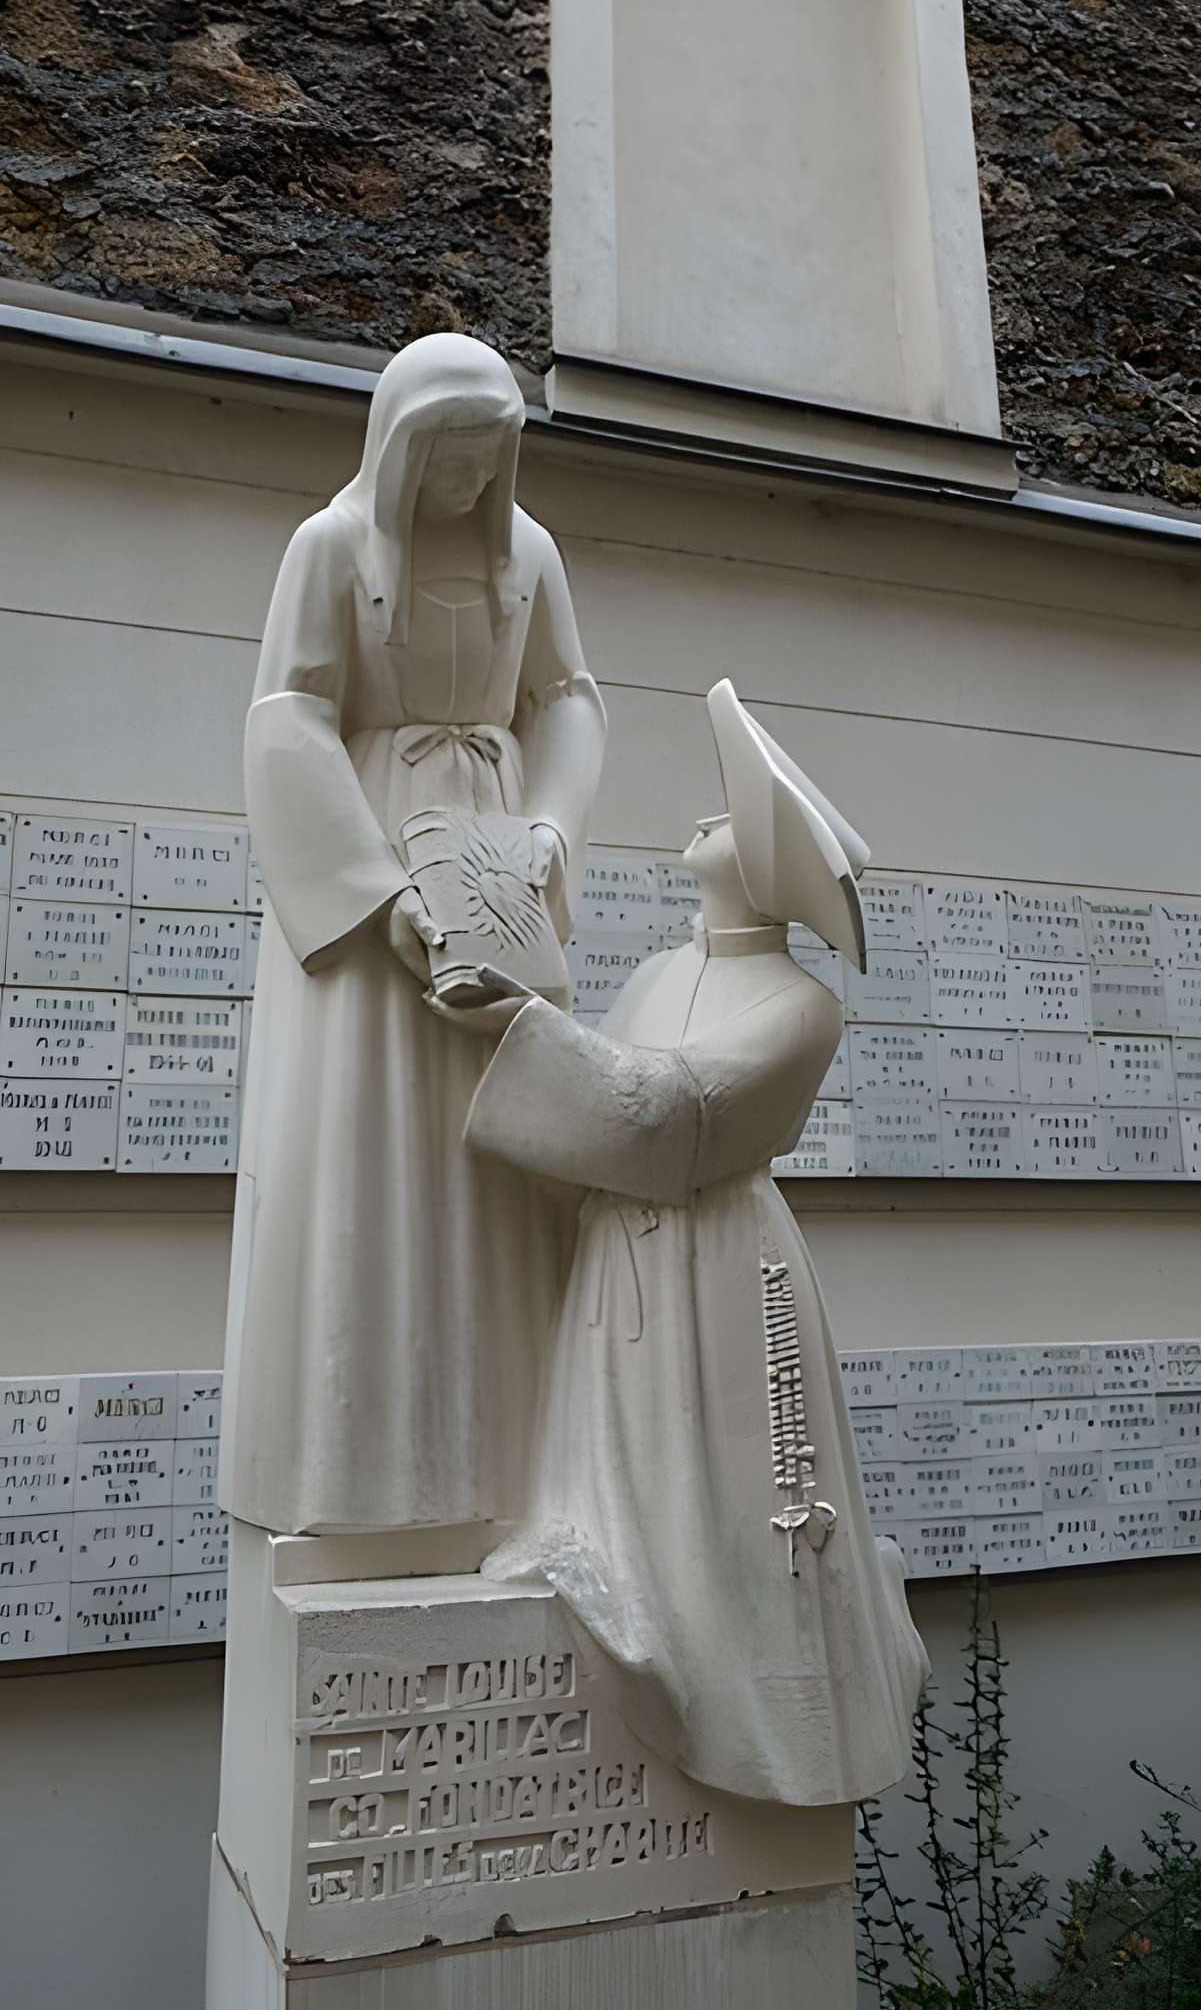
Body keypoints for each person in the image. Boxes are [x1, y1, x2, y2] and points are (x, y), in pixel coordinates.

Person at [430, 681, 928, 1807]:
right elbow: (599, 1098)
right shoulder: (658, 970)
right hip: (626, 1256)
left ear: (754, 860)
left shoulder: (801, 1008)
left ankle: (757, 1708)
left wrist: (520, 1023)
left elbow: (672, 1114)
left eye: (724, 815)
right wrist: (511, 1002)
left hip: (721, 1273)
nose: (702, 820)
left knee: (734, 1484)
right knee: (631, 1446)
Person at [219, 334, 606, 1541]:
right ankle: (363, 1470)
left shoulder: (529, 554)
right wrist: (378, 896)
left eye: (488, 455)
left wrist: (548, 827)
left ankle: (512, 1468)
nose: (466, 478)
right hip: (378, 862)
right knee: (373, 1145)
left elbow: (568, 701)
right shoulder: (330, 548)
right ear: (399, 447)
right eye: (446, 453)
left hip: (496, 866)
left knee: (504, 1148)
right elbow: (289, 716)